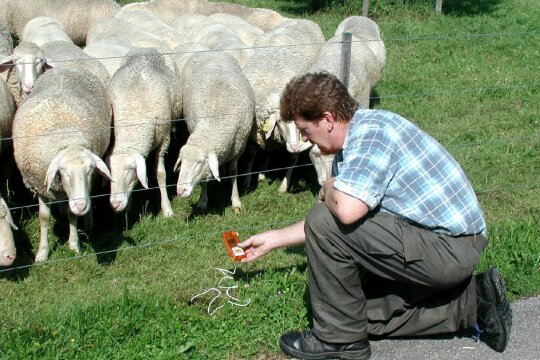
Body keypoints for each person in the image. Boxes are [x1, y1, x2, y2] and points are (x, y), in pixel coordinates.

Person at [238, 72, 512, 360]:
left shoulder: (373, 135)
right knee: (355, 312)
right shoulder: (357, 137)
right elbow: (342, 214)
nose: (306, 140)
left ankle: (339, 342)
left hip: (452, 248)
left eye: (306, 130)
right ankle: (474, 303)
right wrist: (274, 240)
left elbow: (342, 212)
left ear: (328, 120)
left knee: (325, 219)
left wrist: (328, 186)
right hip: (440, 245)